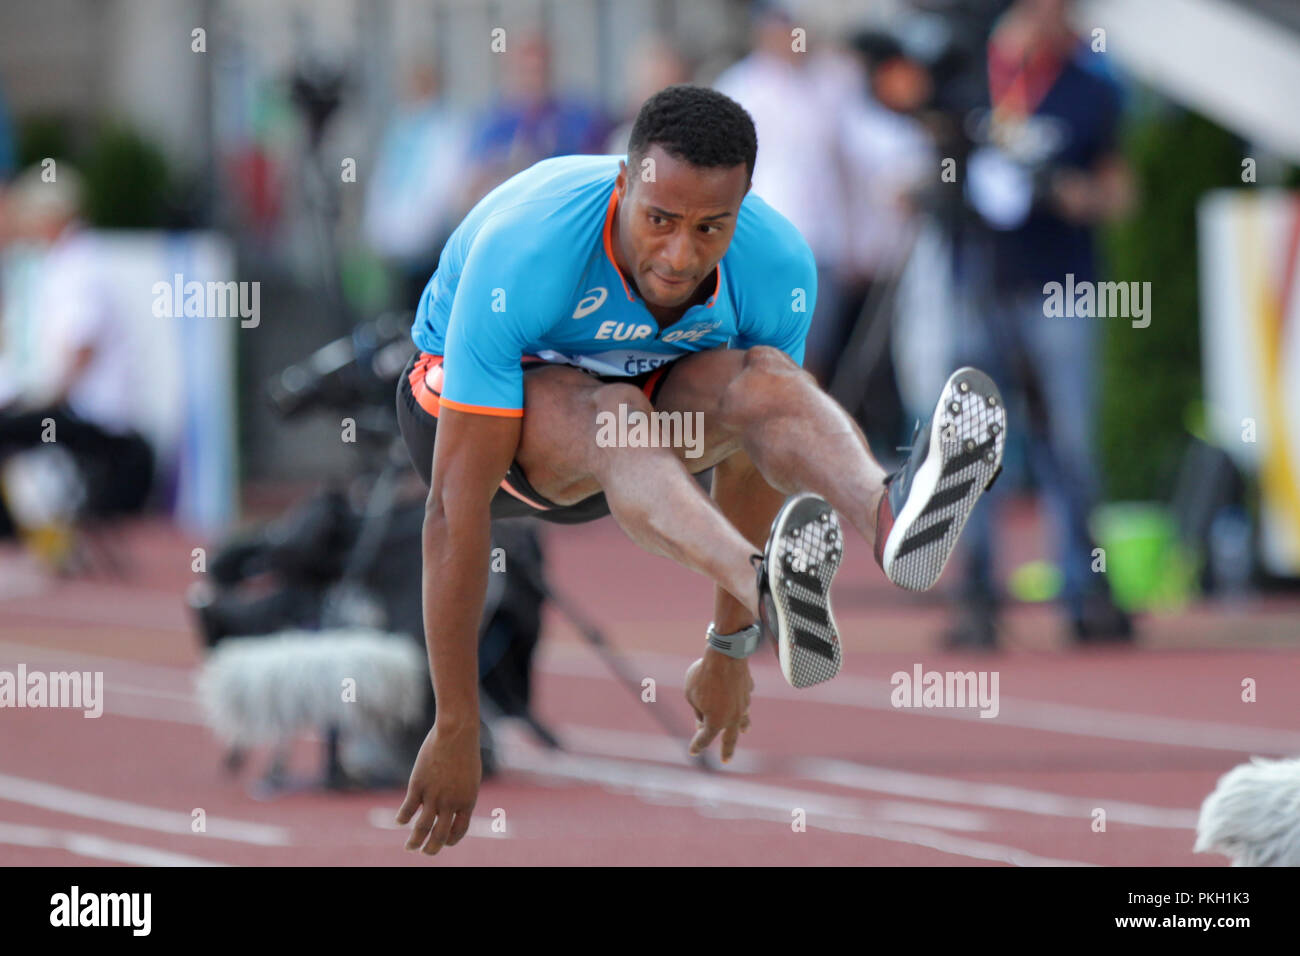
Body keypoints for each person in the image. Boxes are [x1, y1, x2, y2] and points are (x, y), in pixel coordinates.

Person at [393, 85, 1007, 855]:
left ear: (743, 207)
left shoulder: (776, 264)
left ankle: (892, 518)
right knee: (612, 413)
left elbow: (750, 459)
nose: (680, 255)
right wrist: (454, 721)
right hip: (491, 420)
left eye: (710, 227)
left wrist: (727, 646)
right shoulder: (527, 247)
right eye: (660, 221)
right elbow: (454, 510)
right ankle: (764, 580)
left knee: (766, 385)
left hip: (651, 416)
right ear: (624, 188)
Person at [948, 0, 1135, 648]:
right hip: (974, 282)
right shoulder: (969, 77)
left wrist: (1080, 194)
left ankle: (1086, 592)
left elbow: (1120, 191)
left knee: (1071, 442)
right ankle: (975, 594)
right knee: (972, 443)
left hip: (1062, 288)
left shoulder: (1092, 86)